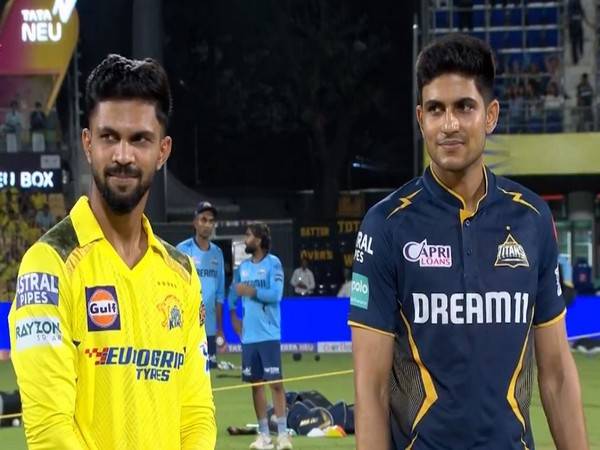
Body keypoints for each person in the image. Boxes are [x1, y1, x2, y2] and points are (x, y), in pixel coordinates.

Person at [349, 34, 588, 450]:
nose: (450, 124)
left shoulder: (531, 219)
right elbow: (371, 390)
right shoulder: (386, 225)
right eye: (437, 110)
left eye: (464, 107)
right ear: (421, 118)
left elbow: (557, 376)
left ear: (490, 115)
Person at [8, 54, 216, 449]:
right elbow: (50, 432)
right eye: (109, 137)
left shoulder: (182, 273)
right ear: (88, 143)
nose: (123, 155)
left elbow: (197, 415)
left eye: (139, 139)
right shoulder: (48, 265)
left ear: (163, 150)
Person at [228, 223, 291, 450]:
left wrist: (252, 292)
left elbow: (276, 295)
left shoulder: (274, 264)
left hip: (269, 334)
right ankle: (264, 436)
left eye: (248, 235)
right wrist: (234, 315)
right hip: (250, 337)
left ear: (259, 239)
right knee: (255, 385)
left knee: (275, 384)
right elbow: (232, 293)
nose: (246, 240)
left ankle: (283, 435)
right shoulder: (243, 268)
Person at [177, 201, 226, 369]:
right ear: (195, 222)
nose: (207, 225)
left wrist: (220, 329)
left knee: (207, 378)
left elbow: (220, 294)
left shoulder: (217, 253)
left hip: (210, 328)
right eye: (203, 219)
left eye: (211, 221)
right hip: (187, 327)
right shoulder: (183, 249)